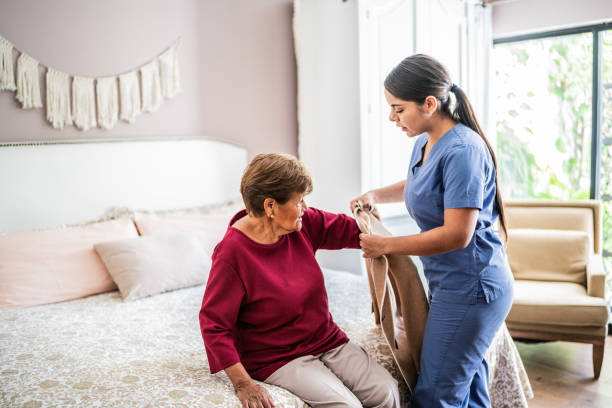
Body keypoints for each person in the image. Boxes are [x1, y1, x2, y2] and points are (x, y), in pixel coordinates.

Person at [351, 54, 514, 408]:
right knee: (467, 390)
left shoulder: (463, 151)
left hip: (474, 287)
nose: (391, 118)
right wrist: (376, 194)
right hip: (451, 282)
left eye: (398, 109)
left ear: (429, 103)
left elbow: (458, 235)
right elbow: (419, 183)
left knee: (436, 394)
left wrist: (386, 245)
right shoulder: (425, 141)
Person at [200, 153, 400, 408]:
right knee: (346, 406)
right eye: (299, 201)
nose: (305, 207)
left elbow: (356, 232)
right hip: (276, 356)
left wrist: (372, 220)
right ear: (270, 206)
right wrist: (243, 383)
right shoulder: (232, 254)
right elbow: (214, 325)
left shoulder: (304, 224)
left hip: (325, 338)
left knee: (387, 391)